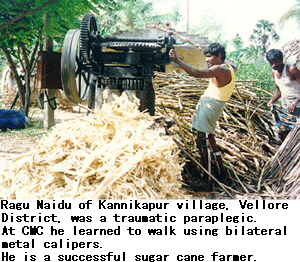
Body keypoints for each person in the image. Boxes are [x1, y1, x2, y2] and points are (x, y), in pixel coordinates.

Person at [169, 43, 236, 185]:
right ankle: (222, 173)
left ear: (219, 56)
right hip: (213, 106)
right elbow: (230, 62)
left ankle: (207, 179)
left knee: (202, 140)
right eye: (206, 57)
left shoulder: (219, 69)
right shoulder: (229, 67)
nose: (207, 60)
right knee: (210, 139)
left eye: (210, 57)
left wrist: (177, 60)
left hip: (210, 106)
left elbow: (196, 73)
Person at [266, 49, 300, 141]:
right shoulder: (274, 72)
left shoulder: (291, 69)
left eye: (276, 62)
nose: (274, 65)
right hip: (286, 104)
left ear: (281, 60)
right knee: (281, 131)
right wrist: (272, 101)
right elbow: (278, 90)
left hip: (297, 103)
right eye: (271, 63)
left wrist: (295, 103)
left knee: (292, 131)